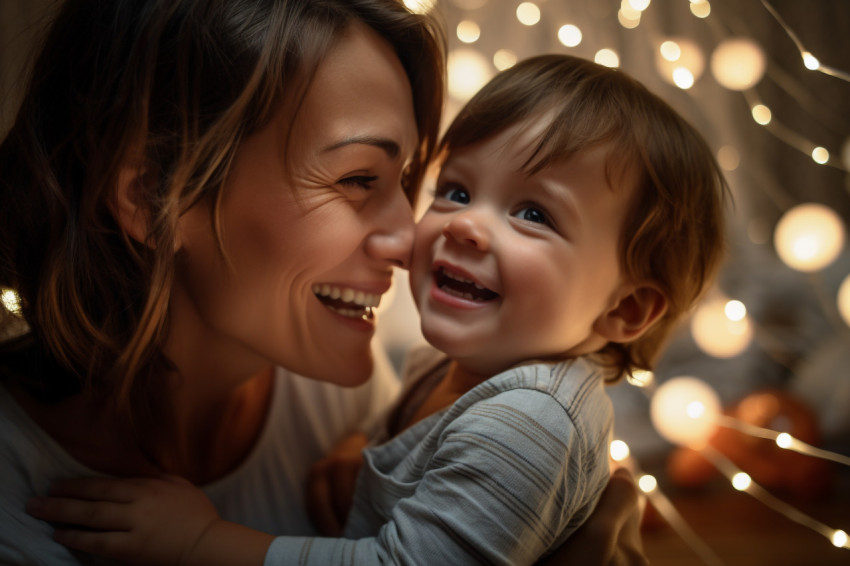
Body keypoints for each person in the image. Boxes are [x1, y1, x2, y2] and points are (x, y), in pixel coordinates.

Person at [1, 1, 647, 564]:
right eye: (357, 180)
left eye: (407, 183)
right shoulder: (17, 501)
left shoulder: (335, 394)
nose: (408, 240)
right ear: (155, 197)